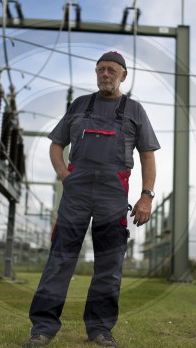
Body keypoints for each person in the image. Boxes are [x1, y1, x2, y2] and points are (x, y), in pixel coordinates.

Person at [23, 51, 160, 348]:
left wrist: (146, 197)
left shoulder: (135, 110)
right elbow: (56, 144)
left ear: (124, 75)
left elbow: (147, 156)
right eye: (100, 70)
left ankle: (100, 328)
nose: (105, 74)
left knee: (109, 264)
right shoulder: (79, 105)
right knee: (60, 260)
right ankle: (43, 328)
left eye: (111, 70)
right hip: (76, 192)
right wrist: (64, 174)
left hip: (113, 193)